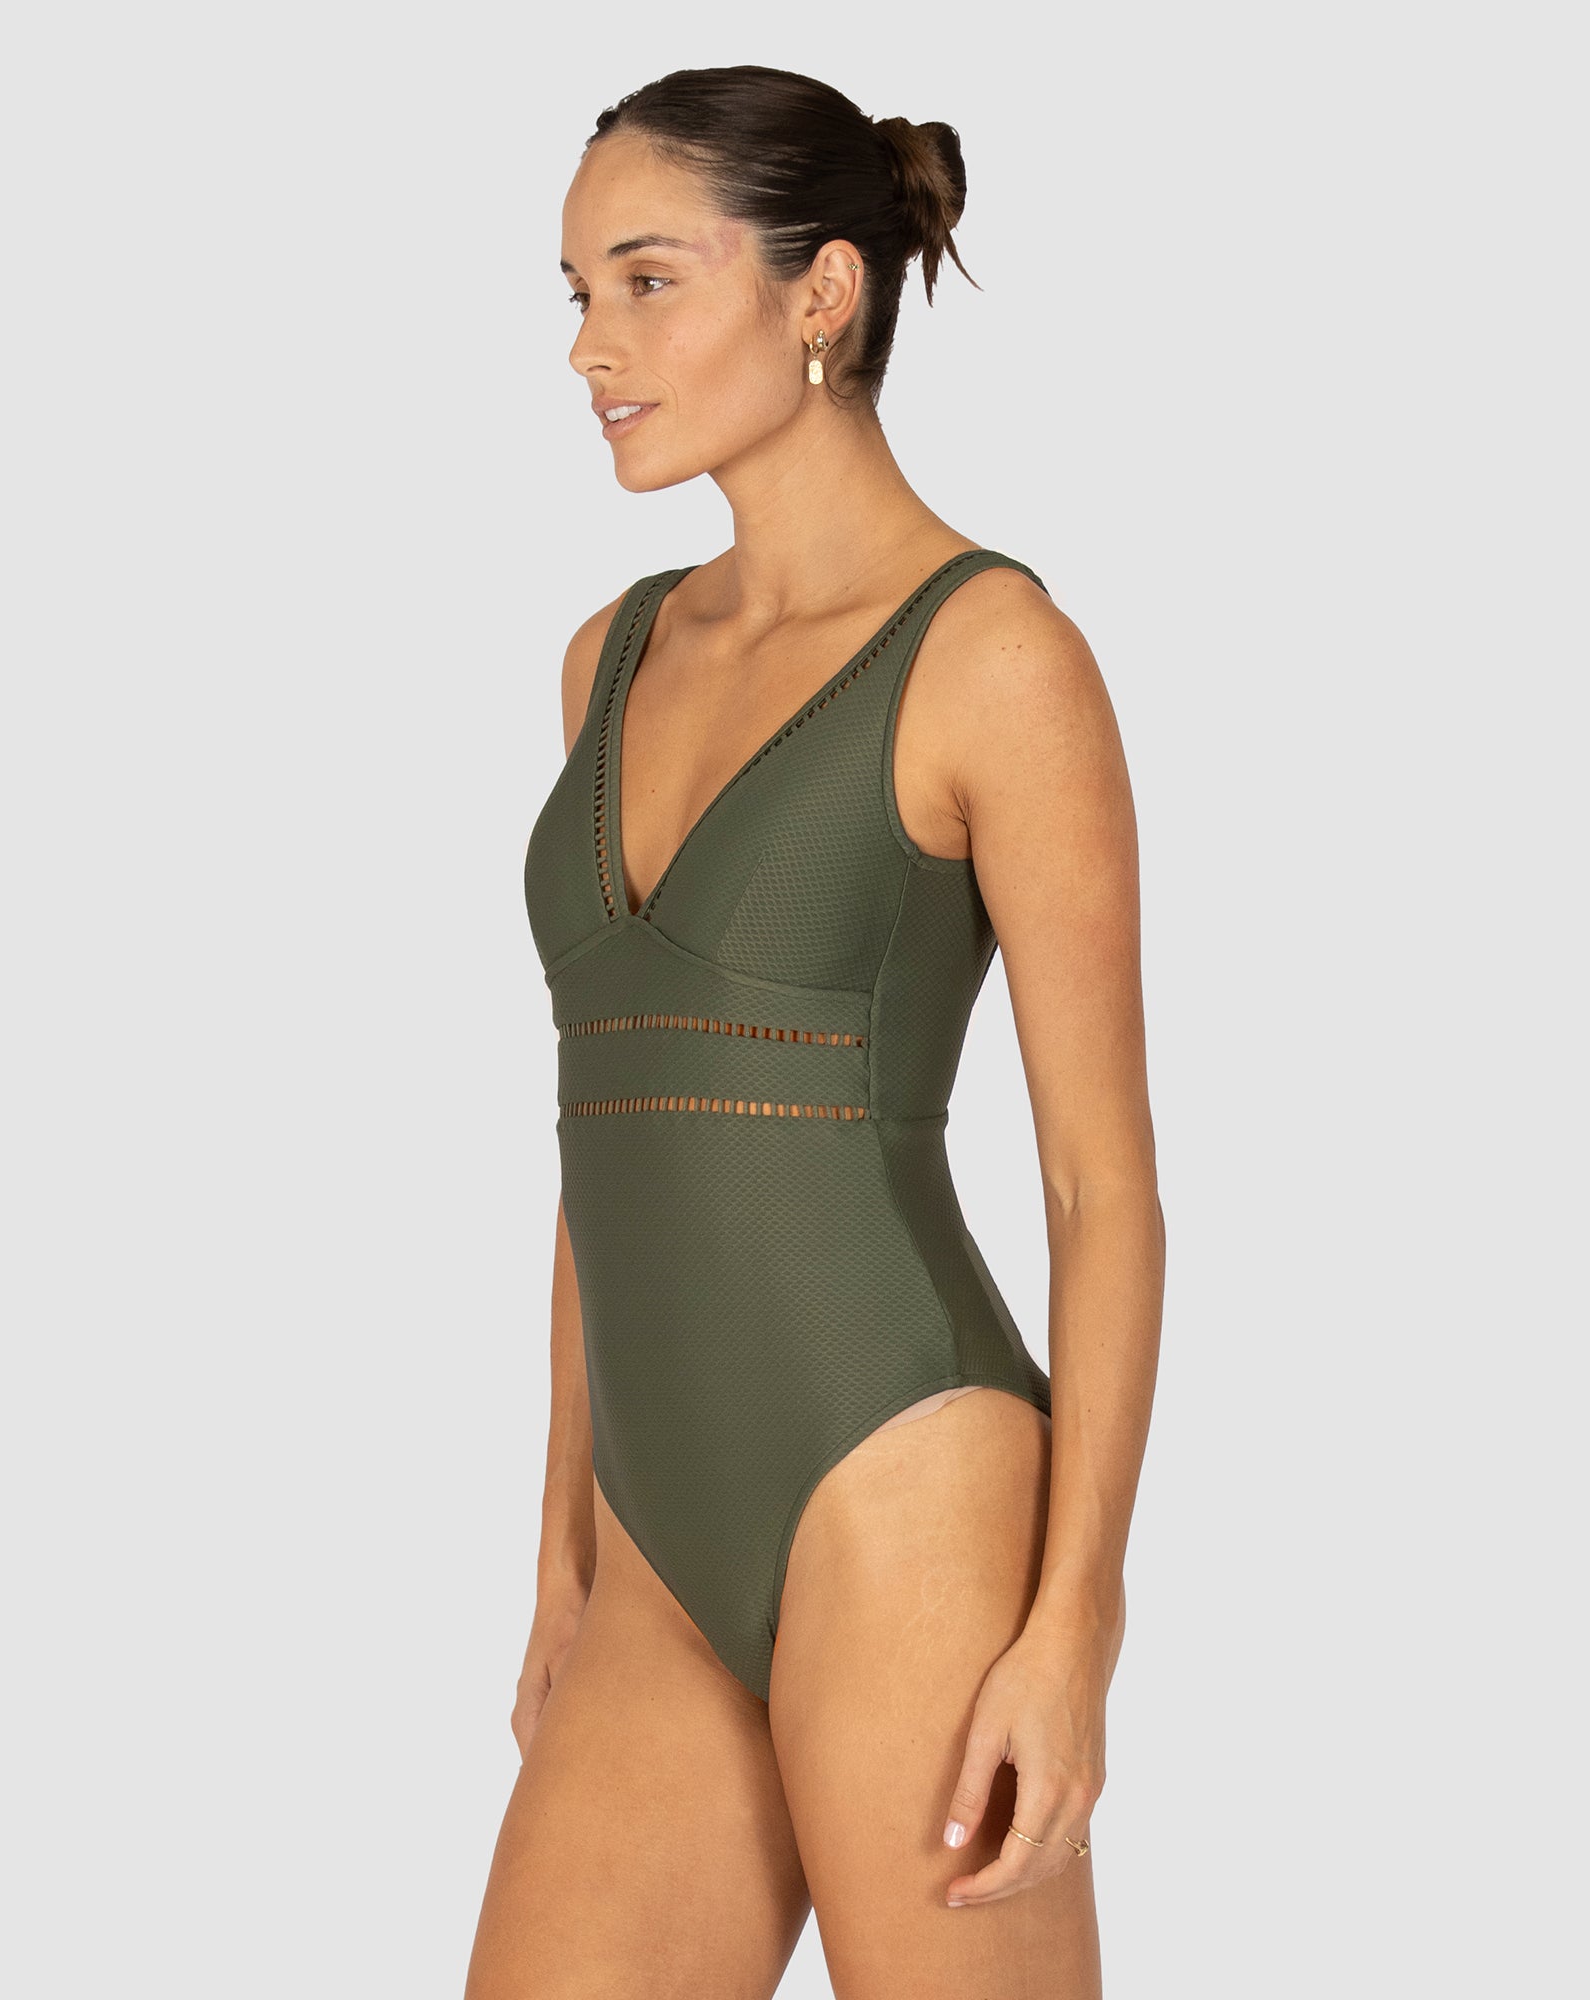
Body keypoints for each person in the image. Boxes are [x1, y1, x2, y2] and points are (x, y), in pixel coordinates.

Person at [466, 63, 1165, 2000]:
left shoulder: (993, 656)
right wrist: (561, 1537)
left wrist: (1073, 1627)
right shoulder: (609, 658)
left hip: (904, 1487)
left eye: (646, 281)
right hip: (648, 1538)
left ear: (822, 293)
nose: (591, 347)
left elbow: (1101, 1187)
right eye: (576, 293)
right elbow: (605, 1133)